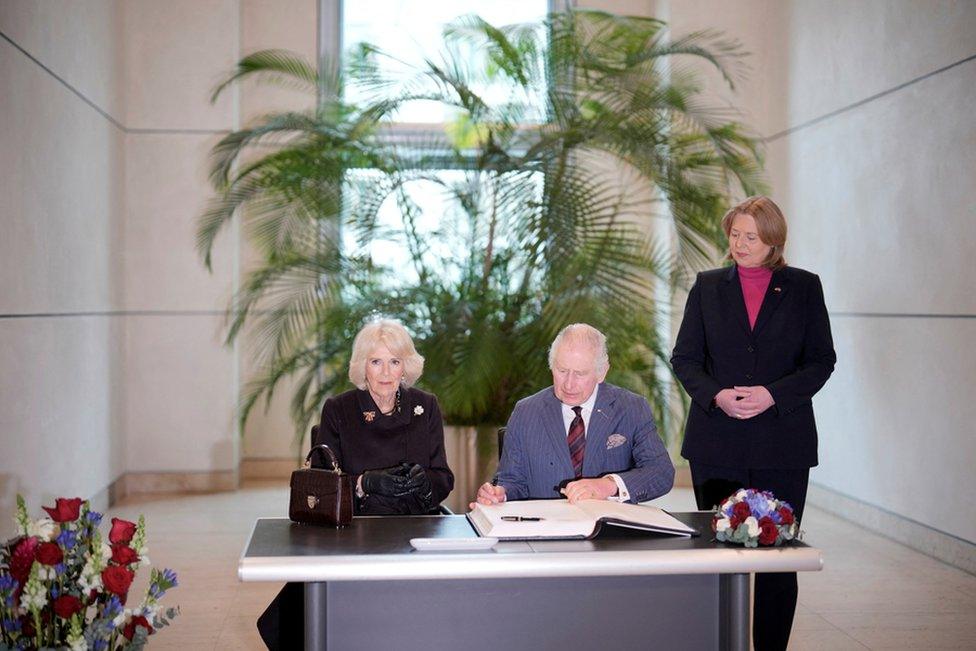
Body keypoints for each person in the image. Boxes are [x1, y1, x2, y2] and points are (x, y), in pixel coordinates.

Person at [670, 195, 836, 651]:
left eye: (752, 238)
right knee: (719, 557)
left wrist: (772, 394)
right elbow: (685, 359)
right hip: (715, 444)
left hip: (782, 445)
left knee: (777, 560)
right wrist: (716, 395)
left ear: (773, 243)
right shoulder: (706, 287)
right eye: (735, 234)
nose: (740, 244)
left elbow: (822, 361)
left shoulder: (804, 287)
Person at [258, 318, 454, 649]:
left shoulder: (426, 406)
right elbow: (319, 490)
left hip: (415, 529)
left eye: (394, 361)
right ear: (362, 367)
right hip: (356, 530)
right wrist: (364, 483)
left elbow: (444, 478)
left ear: (406, 366)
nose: (386, 372)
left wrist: (425, 483)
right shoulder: (340, 409)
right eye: (376, 361)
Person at [473, 323, 674, 507]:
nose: (569, 384)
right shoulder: (525, 412)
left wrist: (608, 485)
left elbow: (661, 473)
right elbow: (512, 480)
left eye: (580, 374)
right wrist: (500, 493)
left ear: (602, 372)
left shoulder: (631, 408)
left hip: (609, 536)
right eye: (561, 370)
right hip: (546, 534)